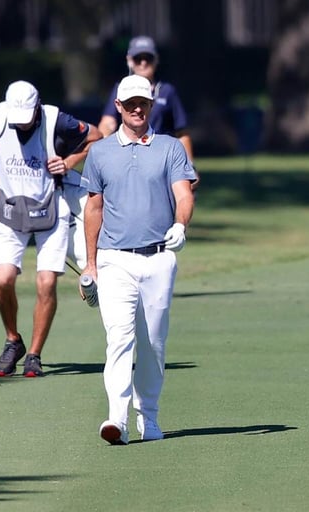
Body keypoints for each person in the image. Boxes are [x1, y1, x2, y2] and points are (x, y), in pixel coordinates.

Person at [81, 74, 196, 445]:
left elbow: (183, 194)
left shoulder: (169, 148)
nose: (135, 108)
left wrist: (180, 224)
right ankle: (117, 419)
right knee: (120, 338)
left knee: (153, 343)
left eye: (142, 103)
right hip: (115, 259)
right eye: (128, 102)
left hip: (159, 258)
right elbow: (93, 208)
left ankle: (149, 416)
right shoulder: (99, 152)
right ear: (118, 106)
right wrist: (90, 263)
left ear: (151, 106)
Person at [0, 81, 102, 377]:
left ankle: (34, 354)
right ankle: (12, 340)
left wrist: (69, 162)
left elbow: (96, 136)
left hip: (50, 209)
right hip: (9, 209)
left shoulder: (56, 119)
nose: (22, 124)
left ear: (37, 106)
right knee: (3, 278)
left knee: (46, 283)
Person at [98, 35, 196, 185]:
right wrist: (102, 150)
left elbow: (181, 132)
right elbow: (108, 122)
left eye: (148, 58)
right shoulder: (120, 89)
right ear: (130, 61)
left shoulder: (166, 91)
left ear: (156, 60)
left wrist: (189, 167)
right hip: (128, 158)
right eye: (138, 58)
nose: (143, 63)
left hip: (162, 159)